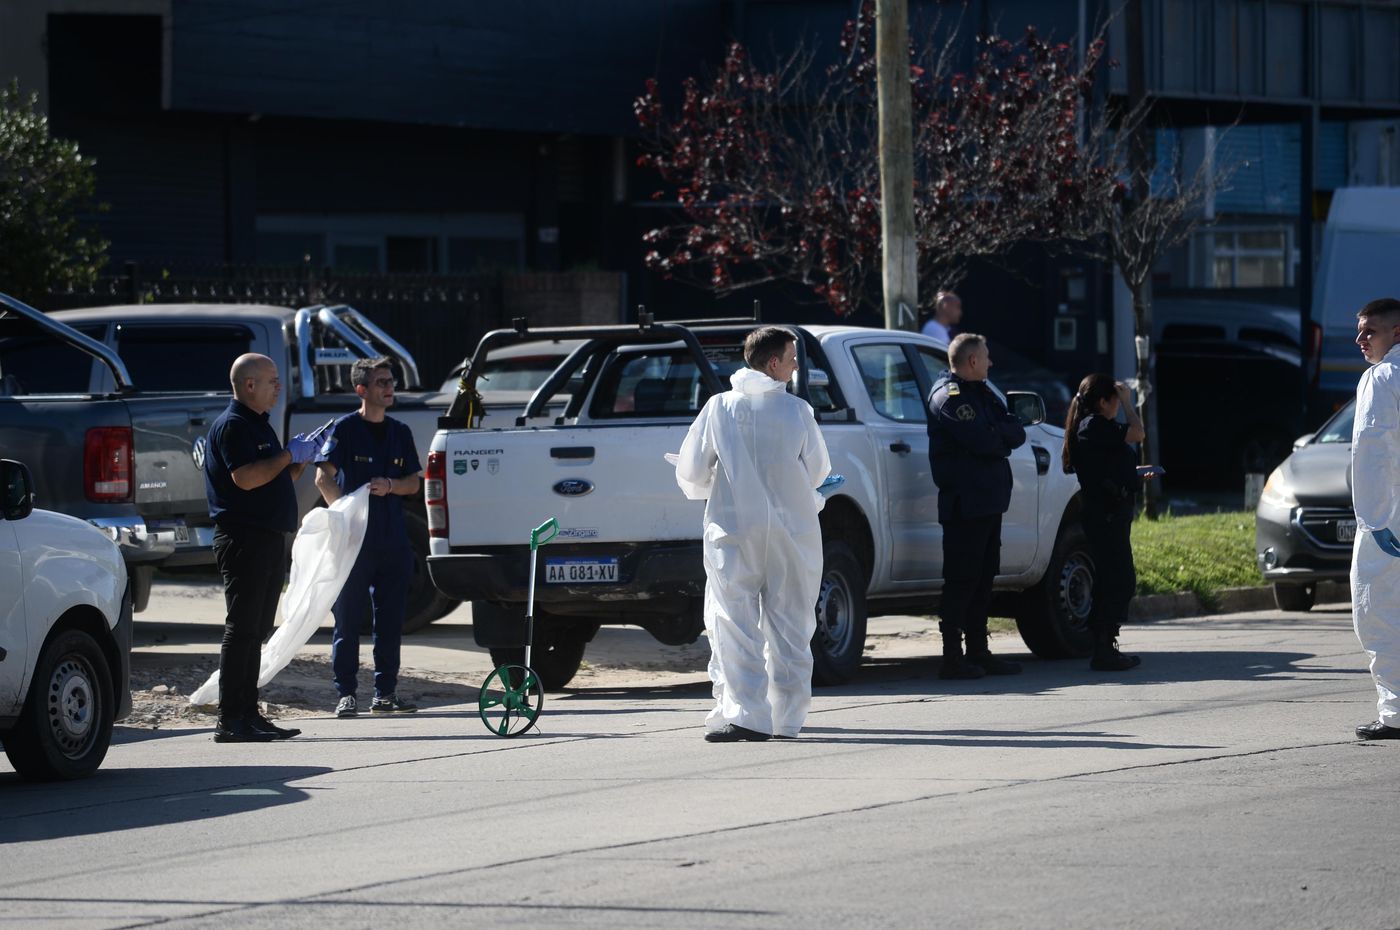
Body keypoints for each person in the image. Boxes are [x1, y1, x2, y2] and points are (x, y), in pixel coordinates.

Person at [675, 326, 831, 742]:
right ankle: (787, 718)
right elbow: (818, 471)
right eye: (793, 356)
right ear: (774, 363)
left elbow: (691, 471)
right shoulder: (798, 412)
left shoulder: (718, 408)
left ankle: (746, 714)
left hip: (733, 530)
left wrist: (718, 485)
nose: (797, 364)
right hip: (791, 534)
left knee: (734, 623)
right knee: (791, 625)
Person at [204, 354, 318, 743]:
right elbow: (246, 478)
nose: (278, 388)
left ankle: (248, 713)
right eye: (272, 381)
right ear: (249, 385)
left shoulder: (258, 424)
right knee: (242, 629)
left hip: (266, 537)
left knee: (256, 631)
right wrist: (288, 454)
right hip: (244, 538)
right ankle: (229, 717)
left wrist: (300, 459)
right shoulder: (234, 425)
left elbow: (274, 476)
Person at [314, 357, 423, 718]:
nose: (389, 388)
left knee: (390, 621)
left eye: (391, 381)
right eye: (380, 383)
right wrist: (342, 514)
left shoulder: (400, 432)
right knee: (347, 620)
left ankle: (385, 694)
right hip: (354, 541)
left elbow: (413, 482)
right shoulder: (344, 429)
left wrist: (390, 485)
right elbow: (323, 477)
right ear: (361, 389)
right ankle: (346, 693)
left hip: (392, 540)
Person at [926, 333, 1026, 679]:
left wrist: (995, 436)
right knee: (961, 580)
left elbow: (1016, 432)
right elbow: (981, 439)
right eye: (986, 357)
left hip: (989, 501)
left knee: (984, 580)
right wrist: (996, 437)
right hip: (964, 504)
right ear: (971, 361)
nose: (990, 362)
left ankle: (979, 652)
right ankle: (952, 659)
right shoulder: (948, 396)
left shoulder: (983, 391)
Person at [1062, 374, 1156, 671]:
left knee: (1115, 578)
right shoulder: (1095, 426)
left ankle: (1106, 644)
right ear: (1103, 401)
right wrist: (1130, 403)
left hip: (1110, 513)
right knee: (1116, 579)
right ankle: (1103, 648)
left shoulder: (1096, 428)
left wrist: (1134, 474)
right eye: (1115, 400)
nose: (1118, 405)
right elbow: (1138, 433)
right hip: (1105, 515)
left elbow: (1108, 464)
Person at [1349, 297, 1400, 740]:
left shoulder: (1382, 378)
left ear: (1396, 333)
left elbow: (1371, 450)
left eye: (1370, 331)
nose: (1360, 339)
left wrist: (1374, 521)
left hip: (1389, 519)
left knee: (1378, 613)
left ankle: (1396, 713)